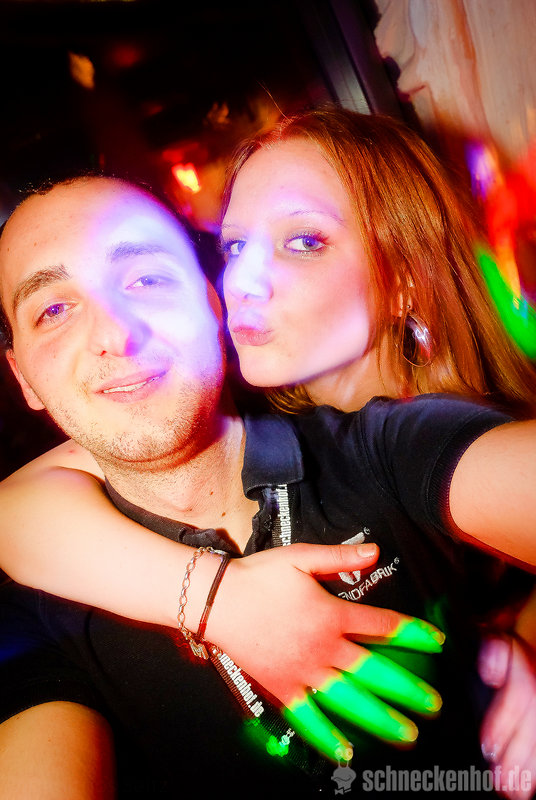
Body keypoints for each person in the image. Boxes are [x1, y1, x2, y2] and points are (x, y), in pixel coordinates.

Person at [0, 116, 535, 790]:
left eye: (304, 241)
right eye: (52, 310)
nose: (245, 283)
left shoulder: (393, 441)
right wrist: (215, 599)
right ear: (22, 377)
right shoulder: (43, 598)